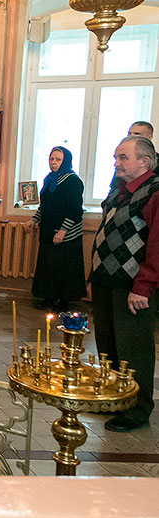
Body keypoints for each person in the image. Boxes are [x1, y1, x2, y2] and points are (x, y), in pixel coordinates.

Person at [90, 135, 159, 432]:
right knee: (108, 345)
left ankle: (137, 408)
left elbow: (156, 245)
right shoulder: (119, 190)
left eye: (123, 158)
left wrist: (143, 286)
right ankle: (115, 399)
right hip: (107, 281)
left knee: (134, 349)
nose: (116, 163)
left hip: (132, 286)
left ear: (144, 162)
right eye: (116, 157)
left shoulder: (154, 191)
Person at [29, 146, 85, 311]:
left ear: (66, 161)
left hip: (67, 235)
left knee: (64, 268)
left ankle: (63, 302)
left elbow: (75, 210)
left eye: (58, 159)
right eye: (51, 159)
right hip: (48, 230)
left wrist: (62, 231)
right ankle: (48, 298)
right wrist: (33, 220)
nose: (53, 162)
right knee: (48, 267)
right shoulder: (49, 179)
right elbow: (45, 206)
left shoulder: (73, 181)